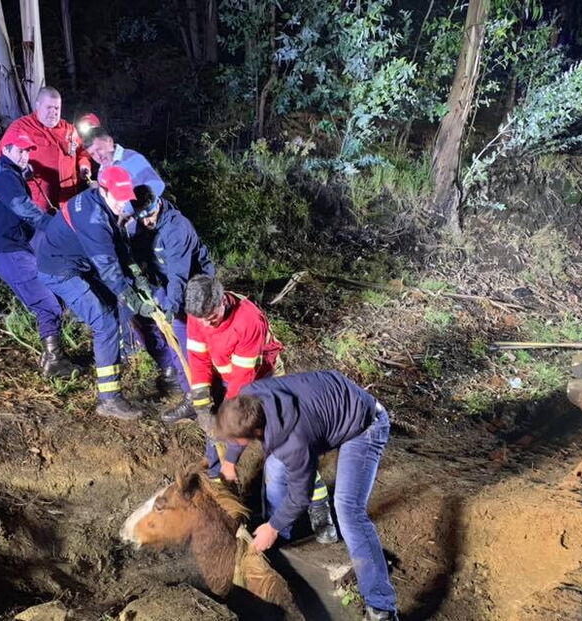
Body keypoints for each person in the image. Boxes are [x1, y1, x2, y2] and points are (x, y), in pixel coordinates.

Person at [214, 371, 400, 621]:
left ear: (256, 431)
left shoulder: (294, 442)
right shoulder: (249, 397)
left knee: (348, 511)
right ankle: (281, 544)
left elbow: (300, 496)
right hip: (332, 404)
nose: (236, 443)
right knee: (274, 468)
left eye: (238, 441)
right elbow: (240, 428)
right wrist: (229, 462)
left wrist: (272, 526)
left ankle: (381, 607)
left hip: (365, 426)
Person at [184, 275, 338, 544]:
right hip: (228, 377)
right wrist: (203, 406)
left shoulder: (248, 320)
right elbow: (198, 359)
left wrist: (232, 459)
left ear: (222, 301)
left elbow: (242, 391)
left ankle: (317, 507)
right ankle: (225, 510)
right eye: (201, 319)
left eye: (211, 317)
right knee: (215, 444)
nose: (206, 324)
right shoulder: (198, 314)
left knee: (286, 450)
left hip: (264, 382)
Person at [36, 166, 183, 420]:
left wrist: (137, 277)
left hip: (82, 263)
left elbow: (120, 247)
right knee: (105, 323)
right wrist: (133, 298)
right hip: (61, 271)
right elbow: (109, 268)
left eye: (125, 198)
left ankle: (166, 370)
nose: (122, 204)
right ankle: (110, 399)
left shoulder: (103, 203)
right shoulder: (92, 219)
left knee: (118, 312)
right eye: (118, 198)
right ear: (103, 190)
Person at [0, 130, 79, 379]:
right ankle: (54, 361)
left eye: (27, 151)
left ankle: (51, 355)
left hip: (18, 243)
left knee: (55, 287)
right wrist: (55, 227)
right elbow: (24, 209)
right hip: (7, 250)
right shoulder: (4, 175)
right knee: (47, 304)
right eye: (20, 150)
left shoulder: (10, 171)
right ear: (6, 149)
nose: (25, 155)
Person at [128, 186, 215, 422]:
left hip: (194, 287)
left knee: (190, 343)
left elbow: (179, 275)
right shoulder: (142, 224)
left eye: (149, 214)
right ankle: (191, 394)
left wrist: (171, 308)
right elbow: (137, 253)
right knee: (174, 341)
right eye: (140, 216)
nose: (146, 221)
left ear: (158, 203)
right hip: (165, 285)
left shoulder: (177, 228)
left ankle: (203, 400)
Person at [0, 87, 91, 212]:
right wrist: (21, 168)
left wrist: (84, 166)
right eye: (48, 107)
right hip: (39, 204)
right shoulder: (21, 127)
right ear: (38, 105)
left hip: (68, 201)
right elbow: (1, 155)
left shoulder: (69, 129)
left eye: (56, 108)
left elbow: (82, 153)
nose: (53, 112)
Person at [86, 129, 165, 200]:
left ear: (109, 141)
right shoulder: (101, 173)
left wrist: (135, 207)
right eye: (92, 154)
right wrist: (98, 192)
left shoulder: (132, 158)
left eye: (99, 149)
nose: (98, 156)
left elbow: (157, 185)